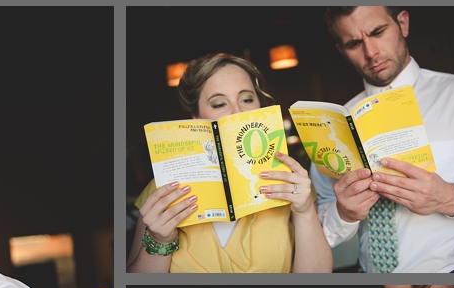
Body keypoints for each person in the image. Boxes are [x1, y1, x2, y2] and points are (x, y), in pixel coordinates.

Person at [314, 7, 454, 273]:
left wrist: (451, 198)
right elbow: (317, 230)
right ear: (341, 50)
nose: (371, 52)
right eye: (354, 43)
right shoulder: (335, 126)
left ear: (403, 23)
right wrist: (343, 214)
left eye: (378, 32)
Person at [127, 53, 333, 273]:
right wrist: (159, 241)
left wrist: (305, 212)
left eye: (246, 99)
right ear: (197, 117)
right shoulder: (163, 189)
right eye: (219, 104)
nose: (237, 112)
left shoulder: (289, 180)